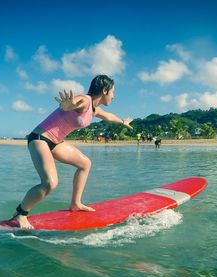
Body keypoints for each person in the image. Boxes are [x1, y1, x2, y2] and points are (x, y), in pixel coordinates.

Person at [11, 75, 133, 229]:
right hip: (40, 138)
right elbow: (73, 103)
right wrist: (67, 105)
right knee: (50, 183)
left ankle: (75, 203)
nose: (114, 96)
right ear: (104, 90)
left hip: (56, 142)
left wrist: (123, 122)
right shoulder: (85, 100)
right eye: (113, 92)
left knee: (85, 163)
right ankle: (20, 214)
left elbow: (109, 117)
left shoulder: (95, 109)